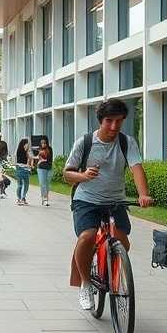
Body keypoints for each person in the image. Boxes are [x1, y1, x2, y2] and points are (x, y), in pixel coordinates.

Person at [64, 98, 153, 310]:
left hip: (116, 201)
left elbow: (137, 168)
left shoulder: (126, 142)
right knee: (87, 236)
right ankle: (86, 283)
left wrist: (143, 194)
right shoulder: (84, 142)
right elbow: (67, 174)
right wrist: (84, 176)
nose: (114, 126)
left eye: (119, 121)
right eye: (109, 121)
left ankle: (110, 270)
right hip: (87, 200)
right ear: (100, 121)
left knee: (123, 243)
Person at [14, 138, 33, 205]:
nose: (27, 146)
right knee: (22, 185)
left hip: (23, 169)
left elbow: (29, 161)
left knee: (23, 185)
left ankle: (21, 198)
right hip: (21, 169)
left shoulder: (24, 152)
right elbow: (15, 162)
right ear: (23, 144)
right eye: (27, 144)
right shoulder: (21, 152)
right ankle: (20, 198)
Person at [36, 136, 53, 206]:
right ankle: (44, 199)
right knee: (42, 184)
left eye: (44, 143)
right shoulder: (38, 149)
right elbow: (36, 158)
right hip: (41, 168)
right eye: (42, 143)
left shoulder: (50, 149)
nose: (43, 144)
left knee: (47, 184)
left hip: (49, 168)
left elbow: (50, 159)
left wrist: (43, 160)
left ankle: (45, 197)